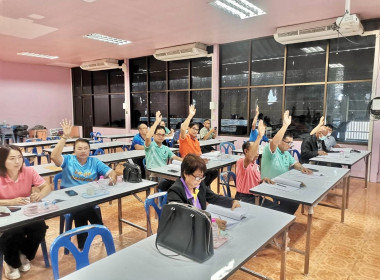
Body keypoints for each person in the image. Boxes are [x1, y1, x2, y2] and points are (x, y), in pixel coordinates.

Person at [51, 119, 117, 249]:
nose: (83, 151)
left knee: (85, 208)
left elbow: (111, 172)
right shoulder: (69, 160)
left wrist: (112, 178)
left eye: (86, 148)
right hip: (69, 196)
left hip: (88, 196)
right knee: (84, 210)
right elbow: (54, 156)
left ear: (89, 150)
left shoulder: (94, 162)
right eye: (79, 148)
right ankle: (97, 233)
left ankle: (85, 243)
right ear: (74, 150)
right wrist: (64, 136)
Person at [0, 145, 51, 280]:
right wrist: (10, 202)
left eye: (19, 158)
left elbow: (47, 186)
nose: (17, 162)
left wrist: (40, 194)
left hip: (24, 211)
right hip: (4, 214)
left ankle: (24, 255)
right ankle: (11, 262)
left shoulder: (29, 171)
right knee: (14, 232)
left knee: (39, 227)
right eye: (12, 158)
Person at [167, 154, 240, 229]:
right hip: (187, 230)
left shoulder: (199, 184)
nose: (199, 180)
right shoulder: (175, 191)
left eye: (201, 177)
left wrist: (231, 201)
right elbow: (183, 218)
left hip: (200, 226)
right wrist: (211, 222)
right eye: (197, 177)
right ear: (185, 173)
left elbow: (213, 197)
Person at [261, 111, 313, 215]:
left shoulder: (285, 152)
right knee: (289, 201)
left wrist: (302, 168)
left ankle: (282, 217)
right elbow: (274, 142)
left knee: (295, 199)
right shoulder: (270, 150)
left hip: (282, 183)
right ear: (280, 141)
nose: (290, 145)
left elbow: (294, 163)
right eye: (288, 143)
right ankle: (280, 218)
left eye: (291, 143)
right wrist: (285, 125)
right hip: (269, 184)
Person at [179, 105, 218, 187]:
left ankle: (202, 187)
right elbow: (182, 128)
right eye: (193, 128)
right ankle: (201, 187)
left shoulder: (196, 140)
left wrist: (202, 159)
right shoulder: (185, 138)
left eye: (197, 129)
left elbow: (198, 154)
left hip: (196, 164)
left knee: (214, 172)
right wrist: (190, 115)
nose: (195, 131)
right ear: (188, 129)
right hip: (188, 165)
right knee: (205, 174)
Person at [235, 121, 274, 204]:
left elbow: (255, 181)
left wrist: (263, 180)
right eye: (254, 150)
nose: (257, 153)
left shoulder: (255, 164)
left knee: (275, 209)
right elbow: (249, 157)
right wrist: (259, 136)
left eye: (257, 150)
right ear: (246, 151)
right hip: (244, 197)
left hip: (256, 195)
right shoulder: (241, 162)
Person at [145, 111, 182, 191]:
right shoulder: (150, 146)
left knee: (181, 182)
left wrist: (186, 160)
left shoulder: (165, 148)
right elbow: (148, 137)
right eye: (158, 134)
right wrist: (157, 121)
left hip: (165, 172)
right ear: (154, 135)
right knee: (169, 185)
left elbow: (175, 157)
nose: (161, 136)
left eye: (163, 135)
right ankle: (161, 201)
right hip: (154, 174)